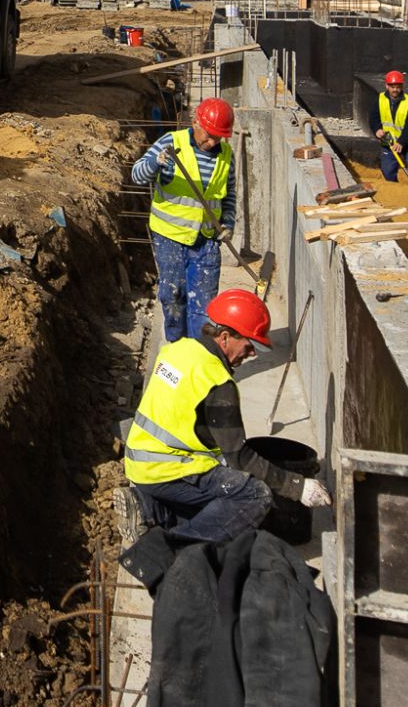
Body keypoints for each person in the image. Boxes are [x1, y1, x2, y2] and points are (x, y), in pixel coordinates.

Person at [125, 289, 332, 544]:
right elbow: (239, 458)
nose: (251, 354)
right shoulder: (217, 382)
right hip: (165, 470)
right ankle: (176, 548)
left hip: (139, 462)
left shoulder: (178, 350)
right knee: (253, 496)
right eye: (248, 345)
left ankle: (150, 509)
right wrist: (296, 486)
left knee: (220, 507)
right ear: (224, 337)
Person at [131, 98, 238, 344]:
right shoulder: (171, 143)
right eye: (209, 135)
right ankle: (177, 348)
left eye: (218, 138)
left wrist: (228, 224)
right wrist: (153, 163)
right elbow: (136, 175)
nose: (212, 142)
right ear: (195, 123)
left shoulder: (226, 156)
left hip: (206, 240)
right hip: (170, 238)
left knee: (205, 304)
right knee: (173, 296)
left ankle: (199, 353)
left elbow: (229, 194)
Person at [373, 70, 408, 184]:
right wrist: (377, 129)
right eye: (392, 87)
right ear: (387, 86)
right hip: (389, 142)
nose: (395, 90)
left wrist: (401, 142)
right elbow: (374, 117)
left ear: (402, 86)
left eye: (398, 87)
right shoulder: (380, 99)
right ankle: (395, 190)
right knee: (388, 171)